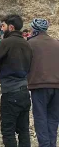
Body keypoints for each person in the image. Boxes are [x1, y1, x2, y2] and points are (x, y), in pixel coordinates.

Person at [0, 14, 32, 147]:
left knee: (8, 131)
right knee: (24, 130)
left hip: (10, 93)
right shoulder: (27, 44)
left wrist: (2, 64)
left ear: (11, 27)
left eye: (4, 26)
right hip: (25, 92)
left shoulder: (6, 43)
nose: (2, 28)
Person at [27, 19, 59, 147]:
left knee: (41, 118)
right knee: (53, 118)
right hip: (57, 85)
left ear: (34, 29)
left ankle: (45, 145)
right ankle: (52, 144)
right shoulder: (56, 43)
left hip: (39, 85)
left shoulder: (30, 44)